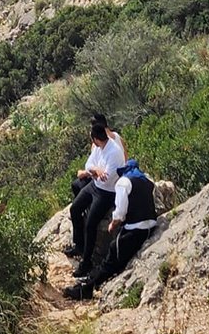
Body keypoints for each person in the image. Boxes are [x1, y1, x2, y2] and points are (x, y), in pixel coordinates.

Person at [64, 157, 158, 301]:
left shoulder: (123, 183)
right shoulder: (147, 181)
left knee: (111, 258)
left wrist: (112, 225)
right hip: (151, 226)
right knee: (115, 257)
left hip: (135, 229)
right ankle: (88, 283)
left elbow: (120, 213)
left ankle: (86, 288)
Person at [66, 117, 125, 276]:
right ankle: (79, 245)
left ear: (96, 139)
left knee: (91, 224)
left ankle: (86, 262)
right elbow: (89, 166)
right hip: (94, 186)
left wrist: (96, 172)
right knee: (75, 209)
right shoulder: (99, 148)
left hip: (107, 192)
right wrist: (96, 171)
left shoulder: (114, 153)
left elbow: (108, 177)